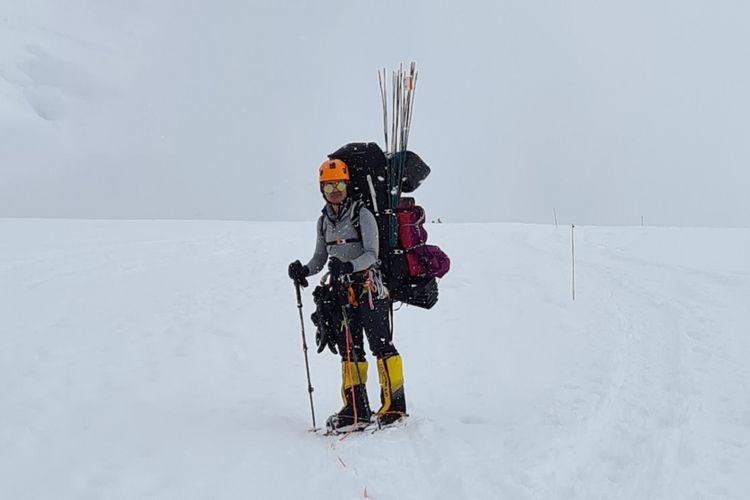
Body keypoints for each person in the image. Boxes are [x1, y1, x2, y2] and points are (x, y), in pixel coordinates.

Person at [288, 158, 407, 432]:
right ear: (322, 190)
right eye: (329, 187)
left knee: (380, 344)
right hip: (341, 292)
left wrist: (349, 266)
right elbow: (320, 259)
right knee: (350, 348)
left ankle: (395, 406)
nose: (335, 192)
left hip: (369, 289)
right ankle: (356, 409)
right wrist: (302, 270)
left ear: (347, 184)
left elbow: (372, 254)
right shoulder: (323, 222)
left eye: (339, 185)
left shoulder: (361, 214)